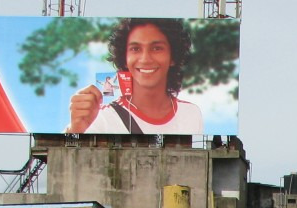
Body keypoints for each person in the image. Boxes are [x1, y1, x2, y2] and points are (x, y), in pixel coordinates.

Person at [65, 19, 204, 136]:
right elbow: (68, 165)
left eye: (157, 48)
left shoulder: (191, 114)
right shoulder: (100, 117)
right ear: (125, 59)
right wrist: (76, 129)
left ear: (173, 57)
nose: (145, 59)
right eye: (135, 49)